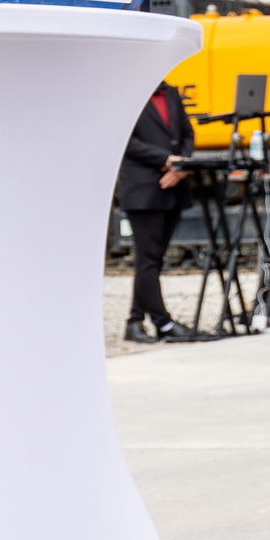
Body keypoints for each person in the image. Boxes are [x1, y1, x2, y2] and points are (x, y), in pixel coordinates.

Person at [116, 80, 197, 344]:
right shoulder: (127, 94)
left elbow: (186, 133)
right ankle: (163, 323)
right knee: (148, 260)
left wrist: (181, 166)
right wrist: (165, 160)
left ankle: (135, 322)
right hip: (143, 189)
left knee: (153, 260)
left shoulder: (170, 93)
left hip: (172, 187)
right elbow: (124, 139)